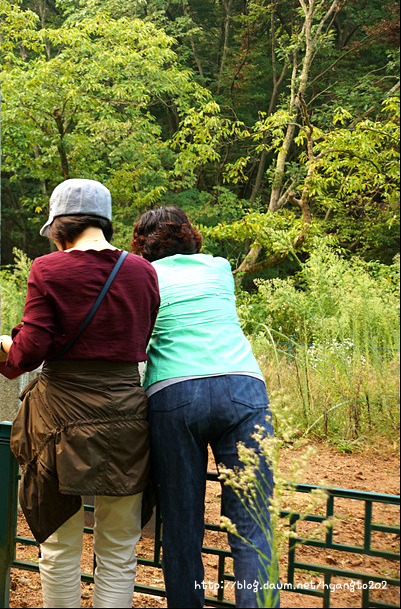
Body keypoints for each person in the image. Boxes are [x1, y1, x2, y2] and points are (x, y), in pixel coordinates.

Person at [0, 179, 160, 608]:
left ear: (60, 226)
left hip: (60, 420)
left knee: (60, 547)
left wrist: (8, 344)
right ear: (104, 222)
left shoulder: (48, 269)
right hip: (126, 415)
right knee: (120, 551)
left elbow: (30, 353)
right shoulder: (143, 271)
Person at [130, 206, 278, 608]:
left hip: (174, 395)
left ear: (141, 245)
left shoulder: (144, 276)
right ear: (191, 235)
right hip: (242, 387)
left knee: (182, 526)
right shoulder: (219, 267)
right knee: (252, 523)